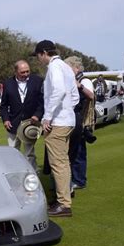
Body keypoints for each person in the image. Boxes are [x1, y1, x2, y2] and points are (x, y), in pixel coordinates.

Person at [32, 40, 79, 217]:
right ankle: (63, 200)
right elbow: (74, 96)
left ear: (44, 53)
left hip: (58, 122)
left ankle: (64, 204)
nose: (38, 59)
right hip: (67, 120)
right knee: (63, 163)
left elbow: (59, 91)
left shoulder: (54, 67)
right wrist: (67, 109)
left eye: (38, 55)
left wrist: (48, 116)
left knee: (58, 164)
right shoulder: (65, 66)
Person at [0, 60, 44, 170]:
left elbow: (42, 102)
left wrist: (37, 115)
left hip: (30, 124)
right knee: (13, 151)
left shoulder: (37, 81)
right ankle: (15, 172)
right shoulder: (8, 83)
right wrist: (5, 119)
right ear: (16, 72)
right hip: (13, 124)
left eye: (27, 71)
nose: (25, 74)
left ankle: (33, 174)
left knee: (30, 153)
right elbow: (4, 105)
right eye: (22, 72)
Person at [64, 56, 95, 191]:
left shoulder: (85, 80)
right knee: (72, 152)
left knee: (79, 153)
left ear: (75, 67)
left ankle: (79, 180)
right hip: (72, 121)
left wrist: (79, 86)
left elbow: (91, 96)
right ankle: (71, 178)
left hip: (81, 122)